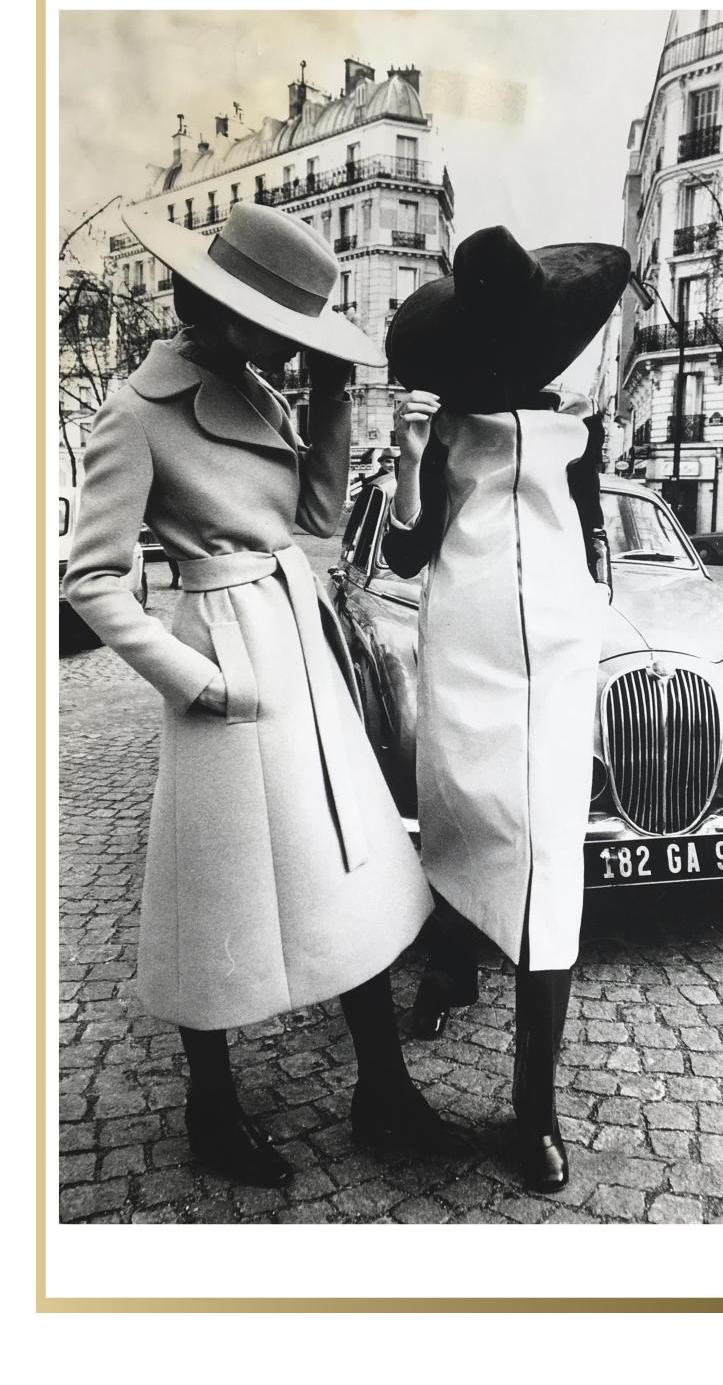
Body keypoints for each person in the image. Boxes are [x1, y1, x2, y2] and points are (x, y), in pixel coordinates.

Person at [64, 202, 467, 1191]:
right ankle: (212, 1107)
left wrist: (330, 399)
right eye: (273, 325)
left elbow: (315, 522)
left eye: (301, 336)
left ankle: (383, 1086)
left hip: (300, 647)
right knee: (215, 892)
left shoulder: (262, 391)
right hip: (228, 669)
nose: (290, 348)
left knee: (348, 854)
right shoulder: (137, 409)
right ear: (210, 303)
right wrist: (198, 680)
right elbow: (91, 580)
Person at [381, 225, 629, 1192]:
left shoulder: (579, 435)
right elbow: (407, 555)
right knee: (462, 816)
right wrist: (408, 460)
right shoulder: (445, 438)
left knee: (549, 860)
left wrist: (598, 613)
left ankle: (535, 1111)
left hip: (559, 663)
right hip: (470, 655)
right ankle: (450, 961)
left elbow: (593, 536)